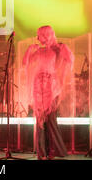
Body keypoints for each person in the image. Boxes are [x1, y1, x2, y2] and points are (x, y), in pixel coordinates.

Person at [23, 26, 73, 160]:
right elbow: (25, 63)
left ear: (46, 35)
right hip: (39, 86)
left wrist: (62, 48)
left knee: (50, 119)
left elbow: (69, 60)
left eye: (39, 35)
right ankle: (42, 153)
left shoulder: (57, 48)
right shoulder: (39, 50)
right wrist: (28, 51)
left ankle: (53, 151)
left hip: (51, 86)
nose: (37, 38)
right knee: (39, 120)